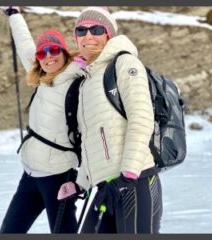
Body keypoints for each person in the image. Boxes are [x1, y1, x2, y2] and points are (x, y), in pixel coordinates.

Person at [52, 7, 163, 233]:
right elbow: (92, 139)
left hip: (136, 180)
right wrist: (80, 182)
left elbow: (141, 118)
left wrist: (128, 175)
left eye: (96, 29)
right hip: (106, 186)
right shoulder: (85, 80)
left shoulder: (124, 63)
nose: (88, 35)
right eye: (81, 31)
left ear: (108, 34)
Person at [0, 7, 83, 234]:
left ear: (65, 52)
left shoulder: (77, 81)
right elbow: (26, 45)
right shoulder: (41, 77)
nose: (48, 56)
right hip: (30, 175)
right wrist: (14, 14)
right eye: (42, 53)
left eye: (54, 50)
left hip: (59, 177)